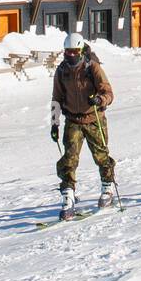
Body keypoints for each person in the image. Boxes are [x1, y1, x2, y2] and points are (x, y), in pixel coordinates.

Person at [50, 33, 116, 220]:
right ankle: (68, 196)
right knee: (69, 159)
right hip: (73, 120)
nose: (71, 55)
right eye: (68, 51)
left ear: (80, 51)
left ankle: (107, 186)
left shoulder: (91, 68)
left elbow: (108, 92)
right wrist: (54, 124)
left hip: (94, 117)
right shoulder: (62, 71)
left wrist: (99, 99)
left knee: (101, 154)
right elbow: (56, 99)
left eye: (74, 51)